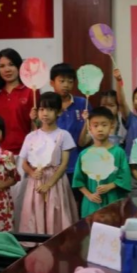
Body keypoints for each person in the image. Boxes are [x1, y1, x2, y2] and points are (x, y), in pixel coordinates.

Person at [19, 92, 79, 234]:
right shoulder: (31, 136)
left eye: (50, 109)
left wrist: (49, 184)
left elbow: (64, 164)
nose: (45, 113)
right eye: (42, 109)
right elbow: (24, 163)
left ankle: (57, 242)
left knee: (56, 213)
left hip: (56, 182)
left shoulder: (64, 135)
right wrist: (32, 173)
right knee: (36, 211)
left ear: (59, 112)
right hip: (36, 182)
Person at [73, 107, 132, 218]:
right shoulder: (84, 154)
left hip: (113, 200)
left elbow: (124, 177)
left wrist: (110, 185)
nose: (100, 129)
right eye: (95, 125)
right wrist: (89, 195)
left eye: (104, 125)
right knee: (91, 227)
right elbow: (78, 181)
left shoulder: (118, 152)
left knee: (113, 225)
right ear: (89, 128)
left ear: (111, 126)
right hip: (92, 203)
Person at [50, 64, 91, 192]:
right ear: (52, 83)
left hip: (78, 164)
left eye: (70, 81)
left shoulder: (83, 103)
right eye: (62, 81)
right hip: (53, 166)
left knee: (77, 200)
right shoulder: (47, 104)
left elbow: (90, 134)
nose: (66, 85)